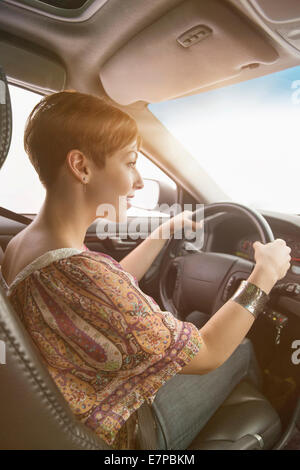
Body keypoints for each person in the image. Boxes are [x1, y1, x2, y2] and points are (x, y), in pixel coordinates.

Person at [0, 91, 291, 450]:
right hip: (126, 430)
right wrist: (264, 273)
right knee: (241, 347)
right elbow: (210, 352)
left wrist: (162, 234)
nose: (138, 182)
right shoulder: (85, 276)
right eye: (130, 162)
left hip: (78, 403)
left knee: (202, 315)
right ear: (81, 166)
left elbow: (102, 298)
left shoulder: (26, 246)